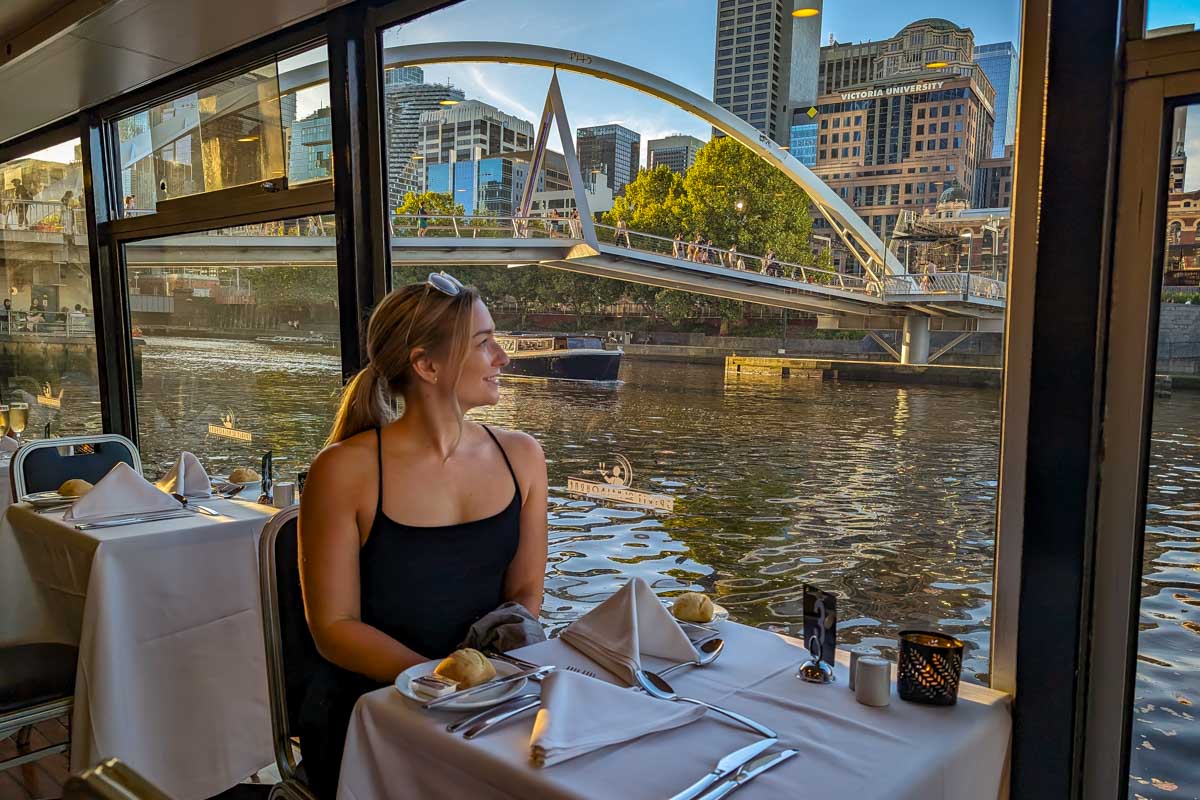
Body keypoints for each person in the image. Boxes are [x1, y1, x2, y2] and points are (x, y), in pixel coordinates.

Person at [297, 272, 548, 799]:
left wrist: (487, 683)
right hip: (375, 712)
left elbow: (525, 595)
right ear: (427, 365)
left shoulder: (523, 456)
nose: (503, 357)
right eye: (484, 343)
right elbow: (333, 627)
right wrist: (440, 682)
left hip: (489, 700)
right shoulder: (343, 472)